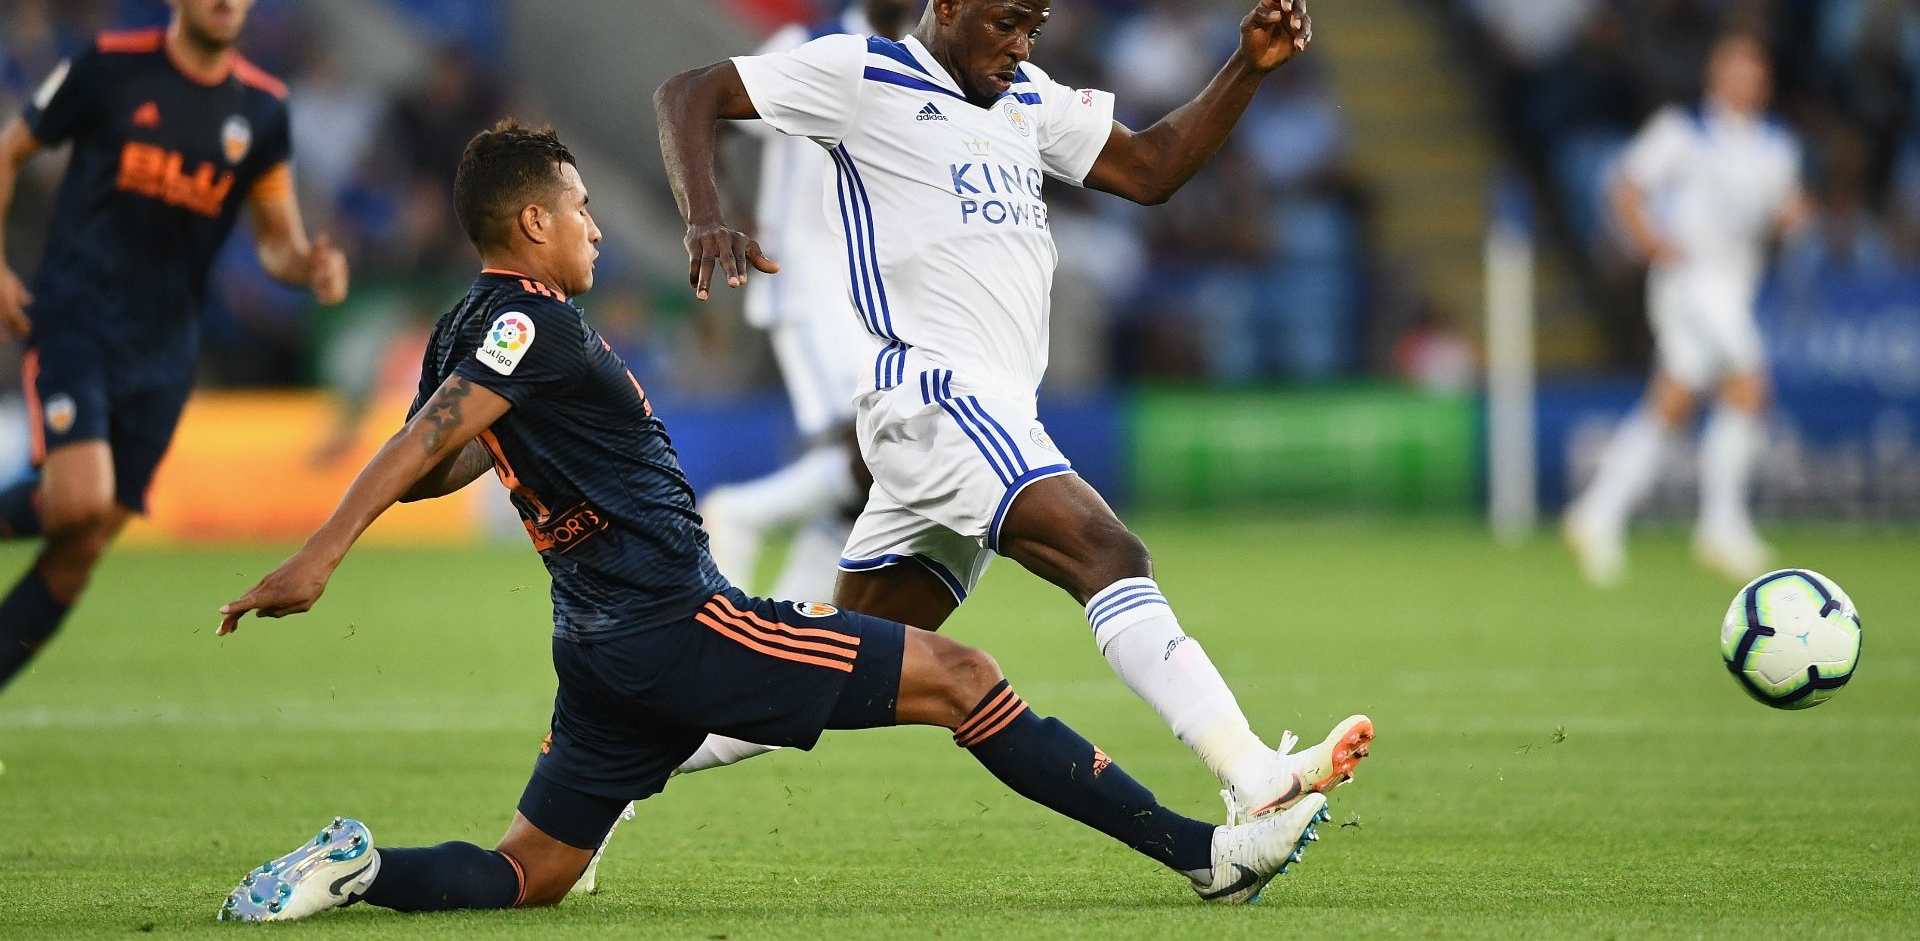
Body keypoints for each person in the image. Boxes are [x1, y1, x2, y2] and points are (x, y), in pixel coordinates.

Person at [211, 121, 1335, 921]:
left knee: (532, 871)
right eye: (583, 206)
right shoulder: (524, 326)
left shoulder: (466, 325)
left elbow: (440, 462)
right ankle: (1207, 856)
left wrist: (448, 464)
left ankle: (357, 871)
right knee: (964, 676)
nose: (597, 225)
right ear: (533, 219)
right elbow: (423, 443)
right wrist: (317, 557)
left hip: (598, 649)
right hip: (671, 624)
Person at [655, 0, 1371, 820]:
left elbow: (1151, 168)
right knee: (1109, 552)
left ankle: (616, 762)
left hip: (987, 412)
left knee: (828, 671)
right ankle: (1251, 775)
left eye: (1034, 26)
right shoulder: (859, 72)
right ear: (947, 6)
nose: (1021, 44)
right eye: (1005, 24)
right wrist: (705, 213)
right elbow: (689, 90)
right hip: (936, 394)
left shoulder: (1027, 97)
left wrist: (1246, 70)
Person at [0, 0, 348, 691]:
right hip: (77, 319)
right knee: (79, 502)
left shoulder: (261, 110)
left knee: (80, 548)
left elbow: (276, 242)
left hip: (164, 353)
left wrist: (312, 266)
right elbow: (12, 149)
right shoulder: (109, 67)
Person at [700, 0, 934, 605]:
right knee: (873, 456)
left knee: (868, 484)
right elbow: (716, 118)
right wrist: (731, 215)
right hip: (808, 285)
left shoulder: (926, 68)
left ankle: (786, 647)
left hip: (877, 298)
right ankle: (741, 513)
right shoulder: (810, 45)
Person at [1562, 32, 1810, 586]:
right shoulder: (1682, 131)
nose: (1745, 76)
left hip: (1735, 284)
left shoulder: (1777, 147)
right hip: (1691, 281)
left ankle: (1596, 513)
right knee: (1749, 385)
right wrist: (1648, 240)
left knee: (1671, 402)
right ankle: (1722, 529)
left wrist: (1793, 218)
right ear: (1714, 75)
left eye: (1753, 66)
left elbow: (1783, 212)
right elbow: (1625, 185)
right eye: (1734, 65)